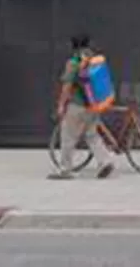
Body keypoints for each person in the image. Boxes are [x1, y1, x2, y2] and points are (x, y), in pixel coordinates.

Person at [50, 33, 116, 181]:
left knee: (68, 136)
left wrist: (61, 105)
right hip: (93, 105)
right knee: (92, 135)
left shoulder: (74, 62)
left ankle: (65, 170)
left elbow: (67, 86)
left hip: (77, 106)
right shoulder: (94, 59)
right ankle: (105, 162)